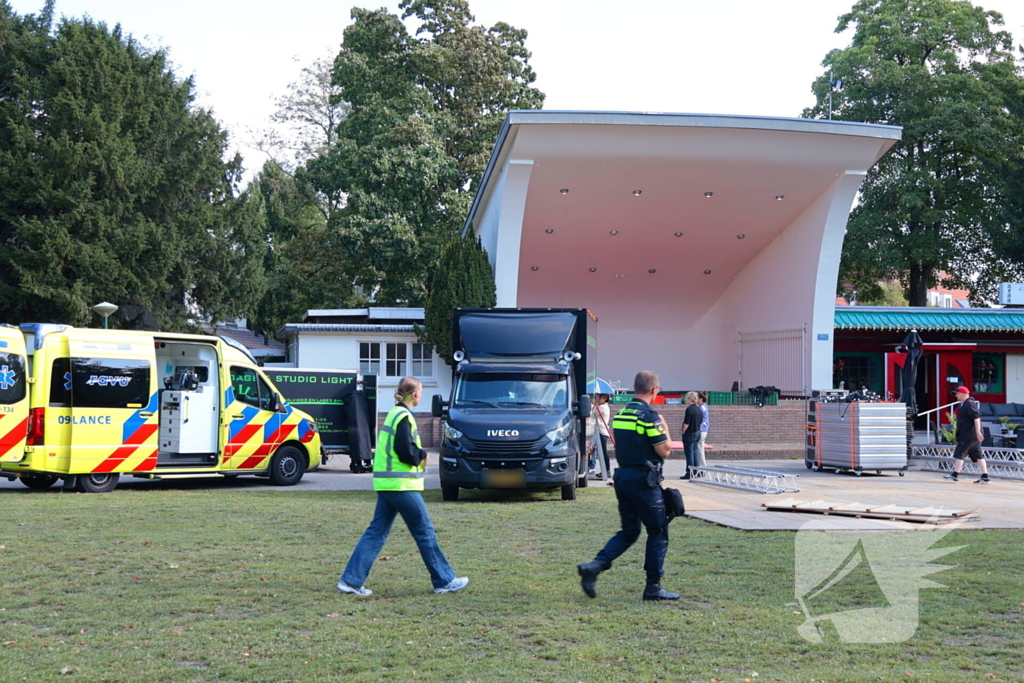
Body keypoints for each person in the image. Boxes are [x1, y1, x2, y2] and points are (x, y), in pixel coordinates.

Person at [337, 377, 469, 596]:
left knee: (376, 533)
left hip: (388, 484)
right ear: (414, 394)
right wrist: (422, 455)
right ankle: (443, 580)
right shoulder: (404, 416)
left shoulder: (394, 414)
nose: (422, 395)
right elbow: (404, 450)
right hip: (401, 486)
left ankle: (350, 581)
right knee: (424, 531)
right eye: (421, 391)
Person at [577, 371, 679, 601]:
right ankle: (653, 587)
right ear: (654, 389)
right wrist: (664, 426)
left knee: (630, 531)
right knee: (658, 531)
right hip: (644, 480)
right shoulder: (649, 416)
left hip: (623, 478)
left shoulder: (622, 413)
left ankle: (595, 566)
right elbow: (665, 450)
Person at [943, 386, 990, 484]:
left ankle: (955, 475)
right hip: (971, 435)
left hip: (969, 435)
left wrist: (978, 432)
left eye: (958, 393)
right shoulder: (965, 404)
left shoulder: (969, 403)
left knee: (960, 453)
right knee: (978, 454)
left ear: (964, 394)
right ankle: (985, 476)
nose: (956, 395)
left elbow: (976, 417)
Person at [679, 391, 702, 480]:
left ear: (689, 399)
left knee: (689, 453)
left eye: (687, 398)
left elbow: (687, 422)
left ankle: (689, 472)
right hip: (697, 432)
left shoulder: (689, 409)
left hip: (690, 433)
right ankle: (696, 471)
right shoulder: (698, 409)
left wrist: (683, 431)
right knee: (695, 452)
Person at [593, 393, 613, 477]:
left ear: (605, 398)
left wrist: (594, 406)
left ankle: (606, 470)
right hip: (603, 432)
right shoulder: (604, 406)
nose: (598, 399)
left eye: (599, 397)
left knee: (603, 452)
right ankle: (605, 470)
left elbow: (592, 413)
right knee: (602, 452)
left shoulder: (602, 407)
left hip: (601, 432)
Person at [696, 391, 709, 468]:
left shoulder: (702, 408)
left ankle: (703, 466)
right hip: (703, 430)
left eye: (697, 398)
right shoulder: (703, 406)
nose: (696, 400)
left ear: (701, 399)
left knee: (700, 449)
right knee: (700, 449)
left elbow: (703, 420)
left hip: (702, 430)